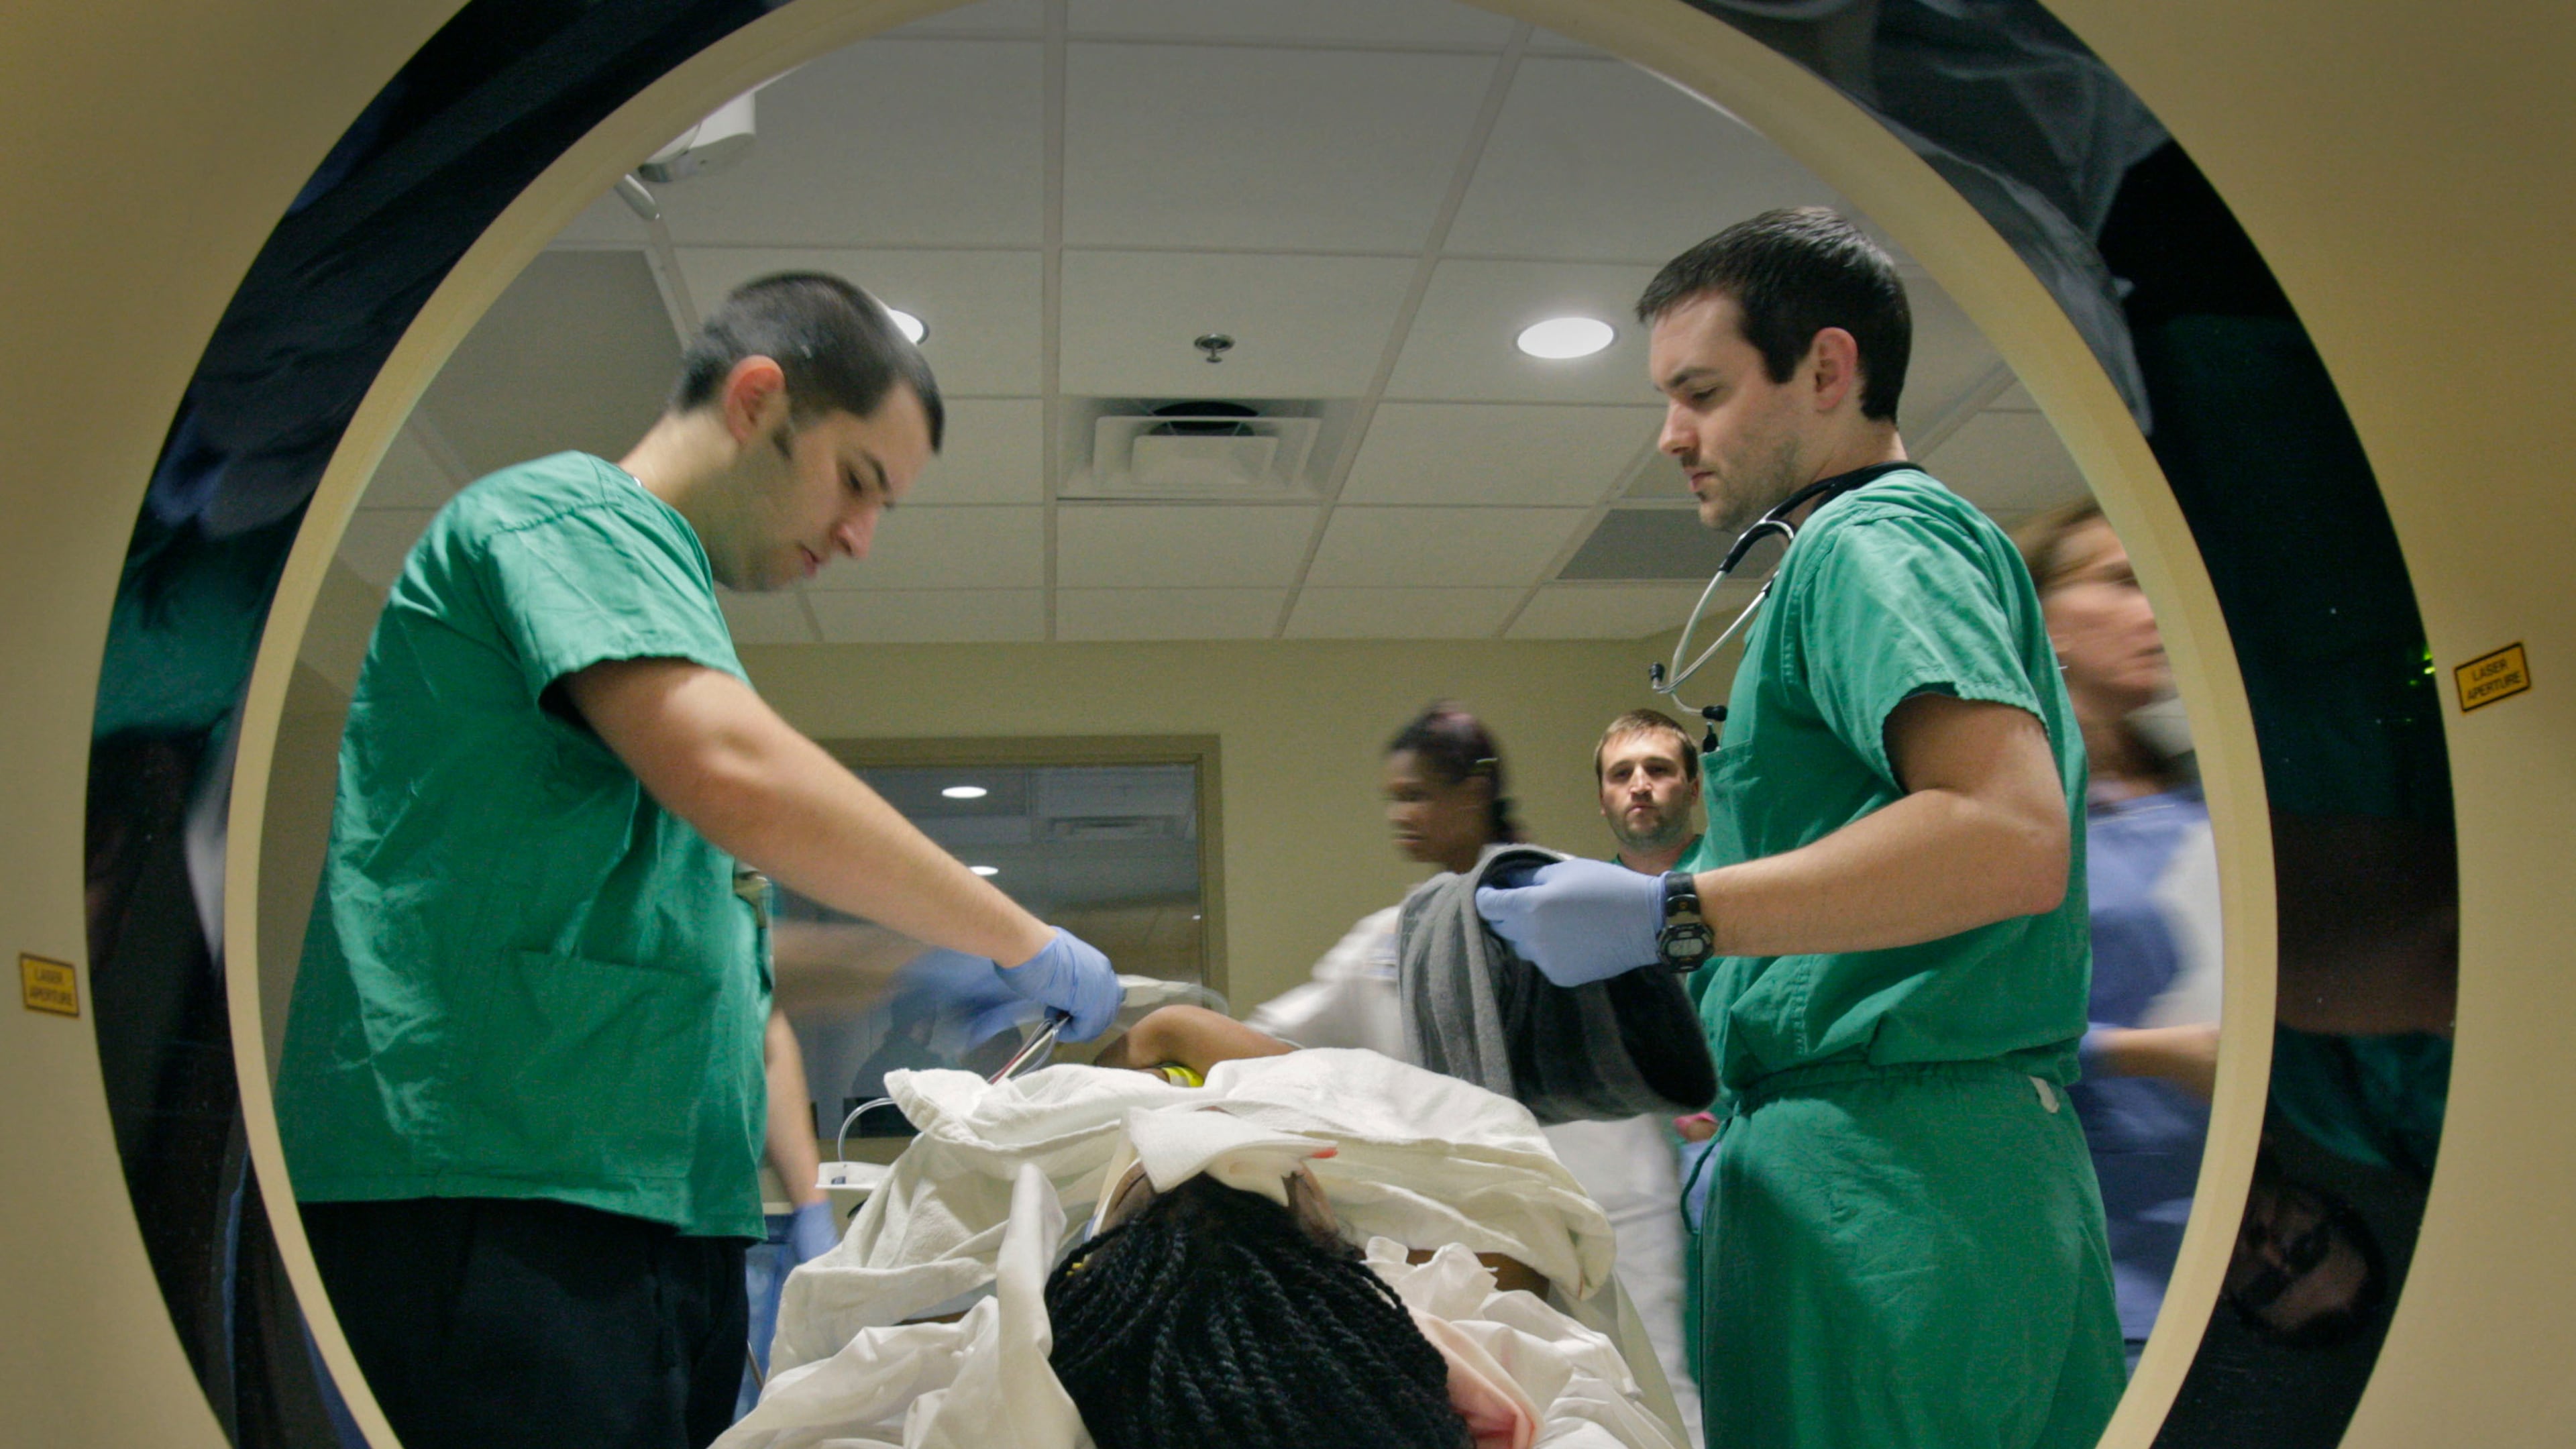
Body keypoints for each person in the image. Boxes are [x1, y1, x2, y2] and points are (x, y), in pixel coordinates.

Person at [274, 272, 1122, 1449]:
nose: (861, 539)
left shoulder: (658, 637)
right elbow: (738, 772)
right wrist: (1013, 936)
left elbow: (705, 965)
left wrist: (901, 976)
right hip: (490, 1192)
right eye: (857, 482)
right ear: (757, 398)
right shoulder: (567, 520)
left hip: (644, 1213)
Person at [1478, 207, 2123, 1448]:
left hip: (1903, 1179)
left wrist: (1674, 911)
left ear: (1827, 370)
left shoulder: (1873, 546)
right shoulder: (1831, 569)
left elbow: (2007, 833)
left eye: (1703, 393)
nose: (1673, 435)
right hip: (1876, 1166)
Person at [725, 1006, 1681, 1449]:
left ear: (1095, 1272)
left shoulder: (1063, 1182)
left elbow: (841, 1380)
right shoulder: (1439, 1251)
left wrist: (1153, 1051)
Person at [2019, 500, 2224, 1370]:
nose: (2156, 611)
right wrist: (2152, 1052)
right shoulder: (2021, 821)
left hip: (2278, 1231)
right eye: (2119, 582)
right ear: (2044, 618)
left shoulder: (2212, 793)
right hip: (2123, 1262)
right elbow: (1976, 1018)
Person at [1246, 704, 1519, 1061]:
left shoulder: (1556, 900)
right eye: (1393, 799)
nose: (1398, 816)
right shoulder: (1388, 934)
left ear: (1474, 795)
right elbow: (1283, 1032)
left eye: (1414, 796)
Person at [1598, 708, 1705, 876]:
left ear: (1694, 790)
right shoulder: (1589, 895)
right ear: (1602, 800)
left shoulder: (1737, 868)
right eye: (1622, 773)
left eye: (1657, 769)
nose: (1640, 787)